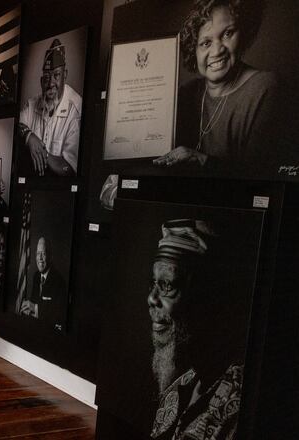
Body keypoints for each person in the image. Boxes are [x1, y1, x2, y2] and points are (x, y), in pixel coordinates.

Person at [153, 0, 283, 176]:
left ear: (243, 33)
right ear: (194, 50)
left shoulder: (266, 88)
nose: (217, 50)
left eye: (227, 34)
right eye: (205, 43)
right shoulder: (186, 94)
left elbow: (261, 177)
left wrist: (202, 160)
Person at [147, 219, 242, 440]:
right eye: (153, 283)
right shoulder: (183, 383)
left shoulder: (238, 397)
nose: (151, 298)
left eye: (167, 285)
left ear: (206, 297)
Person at [17, 38, 81, 177]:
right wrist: (29, 136)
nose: (51, 83)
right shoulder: (32, 103)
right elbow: (16, 124)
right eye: (46, 77)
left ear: (65, 75)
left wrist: (41, 152)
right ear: (41, 81)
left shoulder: (76, 109)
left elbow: (69, 168)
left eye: (56, 75)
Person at [19, 237, 67, 330]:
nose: (40, 258)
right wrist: (28, 310)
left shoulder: (59, 281)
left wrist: (34, 308)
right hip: (35, 328)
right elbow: (34, 302)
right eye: (38, 253)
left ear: (50, 256)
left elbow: (58, 316)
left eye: (43, 253)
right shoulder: (36, 276)